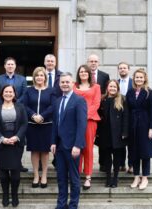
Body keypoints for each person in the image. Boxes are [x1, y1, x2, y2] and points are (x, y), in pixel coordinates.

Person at [50, 72, 87, 209]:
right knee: (61, 178)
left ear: (73, 84)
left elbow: (82, 124)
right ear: (59, 85)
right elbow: (55, 123)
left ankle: (73, 205)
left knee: (74, 178)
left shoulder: (79, 100)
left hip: (73, 147)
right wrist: (53, 142)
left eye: (67, 82)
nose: (65, 84)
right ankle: (61, 204)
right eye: (62, 82)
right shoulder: (57, 101)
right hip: (59, 147)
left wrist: (77, 145)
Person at [0, 85, 28, 207]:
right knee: (3, 173)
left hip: (16, 142)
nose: (8, 94)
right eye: (6, 92)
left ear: (14, 94)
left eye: (11, 92)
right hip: (1, 142)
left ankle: (14, 194)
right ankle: (5, 194)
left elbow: (24, 124)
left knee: (15, 173)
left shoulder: (20, 107)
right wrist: (2, 139)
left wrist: (16, 137)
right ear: (2, 94)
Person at [0, 57, 28, 172]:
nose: (10, 66)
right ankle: (2, 164)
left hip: (17, 111)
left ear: (15, 66)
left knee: (17, 140)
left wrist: (14, 104)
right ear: (5, 66)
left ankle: (18, 164)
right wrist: (3, 104)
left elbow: (24, 94)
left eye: (12, 64)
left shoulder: (22, 79)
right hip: (2, 111)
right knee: (4, 139)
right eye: (8, 64)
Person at [24, 67, 55, 188]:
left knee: (45, 151)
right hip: (32, 125)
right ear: (34, 77)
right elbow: (24, 105)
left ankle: (45, 175)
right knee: (35, 150)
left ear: (45, 77)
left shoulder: (51, 91)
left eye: (41, 75)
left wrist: (42, 116)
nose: (39, 77)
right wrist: (33, 115)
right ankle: (36, 175)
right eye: (37, 75)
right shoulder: (29, 91)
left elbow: (53, 106)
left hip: (46, 125)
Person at [126, 68, 152, 190]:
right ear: (134, 79)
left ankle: (144, 177)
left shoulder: (149, 92)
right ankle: (136, 177)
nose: (139, 79)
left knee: (145, 153)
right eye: (137, 77)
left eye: (141, 77)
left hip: (145, 126)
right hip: (133, 126)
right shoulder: (130, 92)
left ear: (144, 78)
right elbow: (127, 110)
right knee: (134, 152)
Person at [95, 80, 128, 188]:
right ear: (107, 88)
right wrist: (98, 132)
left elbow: (125, 117)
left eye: (114, 87)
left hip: (117, 133)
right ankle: (108, 177)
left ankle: (115, 178)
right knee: (107, 157)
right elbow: (98, 117)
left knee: (117, 157)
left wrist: (124, 132)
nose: (112, 88)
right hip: (105, 133)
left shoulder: (122, 99)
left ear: (117, 88)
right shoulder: (103, 99)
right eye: (111, 86)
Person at [73, 64, 101, 190]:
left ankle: (88, 176)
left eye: (85, 71)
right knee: (76, 147)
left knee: (88, 148)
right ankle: (76, 174)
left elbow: (96, 104)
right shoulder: (74, 86)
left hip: (90, 121)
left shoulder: (96, 87)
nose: (83, 73)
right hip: (74, 122)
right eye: (81, 72)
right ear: (78, 74)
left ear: (89, 73)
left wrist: (83, 116)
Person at [87, 54, 110, 172]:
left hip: (101, 112)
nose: (93, 63)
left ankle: (103, 163)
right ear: (88, 62)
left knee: (102, 139)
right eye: (91, 61)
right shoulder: (84, 75)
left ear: (98, 63)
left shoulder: (105, 76)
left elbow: (107, 92)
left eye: (95, 61)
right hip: (87, 113)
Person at [117, 62, 133, 173]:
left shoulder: (134, 83)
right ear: (118, 70)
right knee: (120, 142)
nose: (122, 70)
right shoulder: (115, 83)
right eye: (120, 68)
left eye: (124, 68)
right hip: (118, 117)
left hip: (131, 116)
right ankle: (121, 164)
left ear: (128, 69)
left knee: (131, 142)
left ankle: (131, 165)